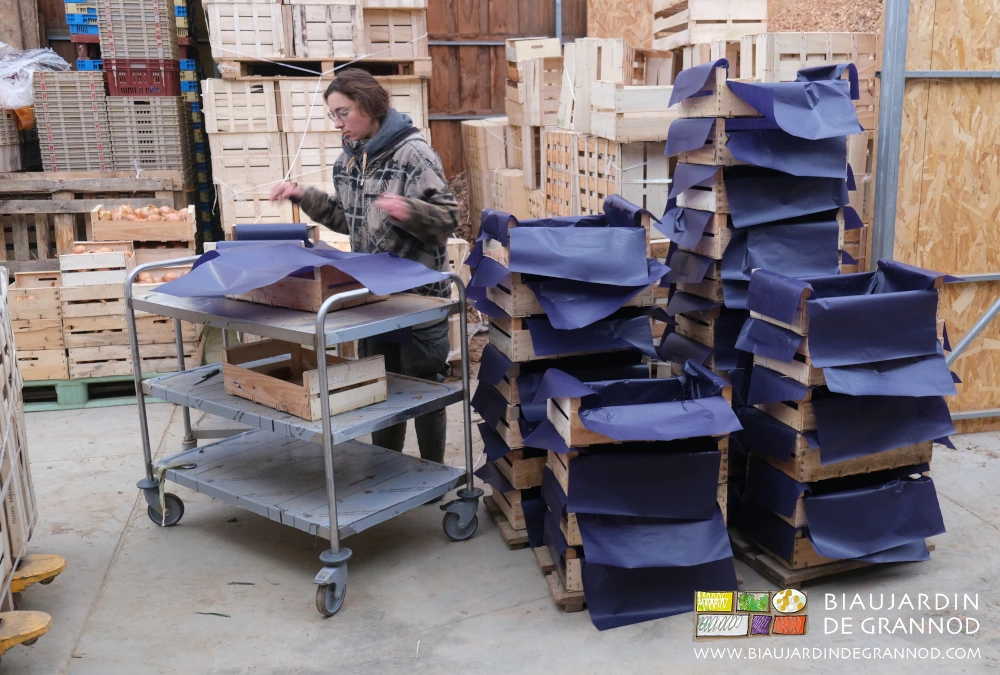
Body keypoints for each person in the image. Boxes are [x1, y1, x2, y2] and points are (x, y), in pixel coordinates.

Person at [270, 69, 460, 466]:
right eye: (333, 116)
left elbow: (447, 220)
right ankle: (386, 468)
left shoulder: (414, 155)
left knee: (424, 389)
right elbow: (347, 219)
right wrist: (305, 196)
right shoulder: (350, 161)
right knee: (379, 389)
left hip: (418, 303)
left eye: (344, 113)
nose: (338, 124)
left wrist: (409, 209)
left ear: (371, 107)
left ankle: (431, 474)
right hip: (373, 300)